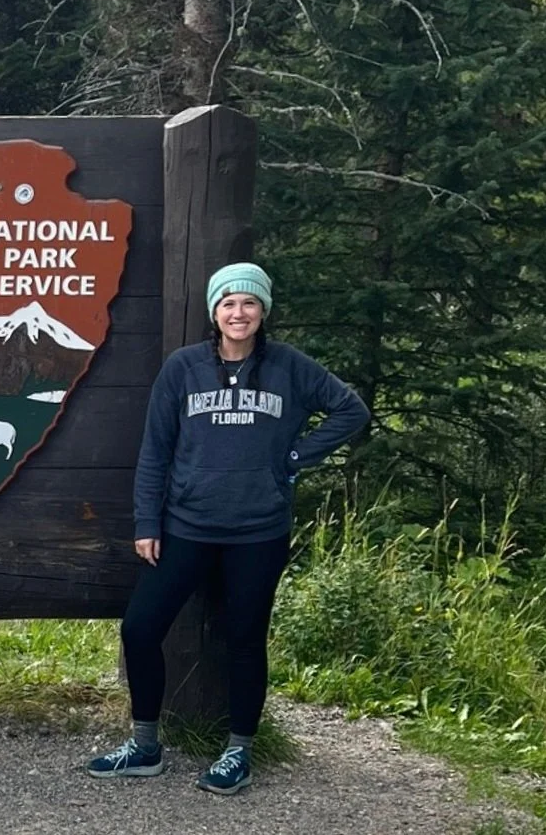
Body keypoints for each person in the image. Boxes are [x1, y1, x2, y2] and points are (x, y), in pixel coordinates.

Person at [88, 262, 368, 794]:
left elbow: (350, 411)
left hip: (258, 531)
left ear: (263, 310)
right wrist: (148, 521)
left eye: (249, 303)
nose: (238, 313)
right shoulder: (183, 368)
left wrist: (294, 456)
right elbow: (155, 451)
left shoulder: (289, 367)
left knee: (244, 639)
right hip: (187, 525)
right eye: (228, 304)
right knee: (141, 628)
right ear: (214, 312)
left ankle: (238, 750)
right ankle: (145, 745)